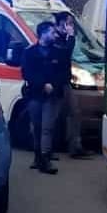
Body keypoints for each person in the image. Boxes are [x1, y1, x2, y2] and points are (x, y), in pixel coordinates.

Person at [22, 21, 63, 174]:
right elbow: (27, 73)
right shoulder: (30, 53)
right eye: (52, 32)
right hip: (34, 94)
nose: (55, 35)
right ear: (43, 33)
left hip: (51, 96)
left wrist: (53, 85)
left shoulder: (58, 53)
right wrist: (42, 84)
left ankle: (45, 160)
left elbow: (63, 74)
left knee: (47, 128)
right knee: (36, 127)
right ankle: (37, 157)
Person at [54, 12, 91, 159]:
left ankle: (75, 147)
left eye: (71, 24)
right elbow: (64, 54)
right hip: (54, 84)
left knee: (75, 113)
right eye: (68, 23)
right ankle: (46, 150)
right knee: (52, 116)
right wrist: (71, 37)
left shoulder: (64, 38)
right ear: (61, 24)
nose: (70, 27)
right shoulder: (55, 38)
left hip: (65, 82)